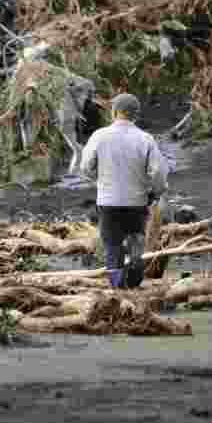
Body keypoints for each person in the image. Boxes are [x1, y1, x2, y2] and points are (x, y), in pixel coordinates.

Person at [79, 92, 168, 288]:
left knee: (112, 246)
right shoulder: (145, 139)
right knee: (136, 242)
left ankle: (118, 287)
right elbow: (159, 172)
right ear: (135, 115)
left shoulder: (99, 136)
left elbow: (85, 167)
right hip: (137, 202)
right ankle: (133, 283)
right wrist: (156, 193)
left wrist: (100, 181)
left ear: (115, 112)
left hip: (108, 202)